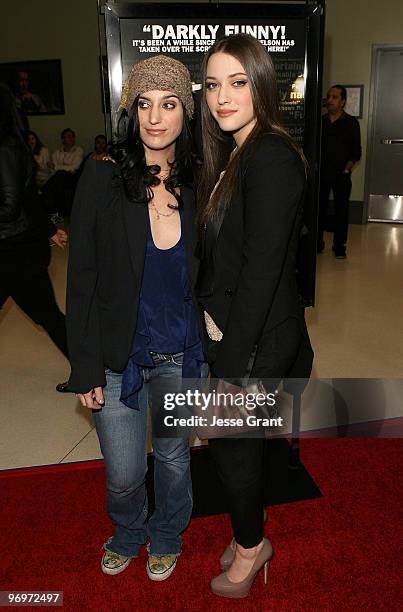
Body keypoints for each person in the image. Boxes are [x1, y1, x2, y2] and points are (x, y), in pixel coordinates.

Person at [66, 55, 205, 581]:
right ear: (131, 112)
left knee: (173, 461)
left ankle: (167, 533)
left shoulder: (199, 181)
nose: (154, 116)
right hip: (116, 356)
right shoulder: (102, 178)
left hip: (180, 352)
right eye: (143, 104)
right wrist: (82, 367)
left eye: (168, 104)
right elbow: (81, 277)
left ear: (185, 114)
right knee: (124, 474)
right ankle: (127, 531)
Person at [196, 34, 314, 598]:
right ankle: (250, 534)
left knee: (232, 449)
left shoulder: (270, 154)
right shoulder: (239, 151)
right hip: (239, 333)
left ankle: (251, 549)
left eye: (237, 83)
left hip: (256, 338)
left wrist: (229, 369)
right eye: (213, 85)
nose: (223, 97)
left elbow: (263, 274)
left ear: (262, 84)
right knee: (230, 448)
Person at [0, 83, 69, 385]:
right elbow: (31, 198)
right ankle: (89, 368)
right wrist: (50, 228)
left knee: (50, 317)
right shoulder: (12, 143)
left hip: (14, 252)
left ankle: (90, 370)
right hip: (18, 248)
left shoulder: (4, 146)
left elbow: (10, 205)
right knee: (50, 316)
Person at [318, 85, 361, 258]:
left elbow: (356, 151)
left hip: (341, 174)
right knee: (318, 209)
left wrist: (346, 170)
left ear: (343, 101)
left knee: (341, 210)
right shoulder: (321, 122)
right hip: (322, 173)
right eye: (328, 96)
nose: (330, 100)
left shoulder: (351, 123)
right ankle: (317, 244)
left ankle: (339, 247)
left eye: (334, 97)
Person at [41, 128, 83, 218]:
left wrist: (57, 167)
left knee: (61, 174)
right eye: (68, 136)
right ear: (63, 140)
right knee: (59, 181)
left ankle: (43, 190)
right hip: (59, 179)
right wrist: (65, 168)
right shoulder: (56, 152)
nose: (71, 138)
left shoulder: (78, 150)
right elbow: (52, 170)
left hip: (72, 179)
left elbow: (75, 167)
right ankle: (58, 213)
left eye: (72, 136)